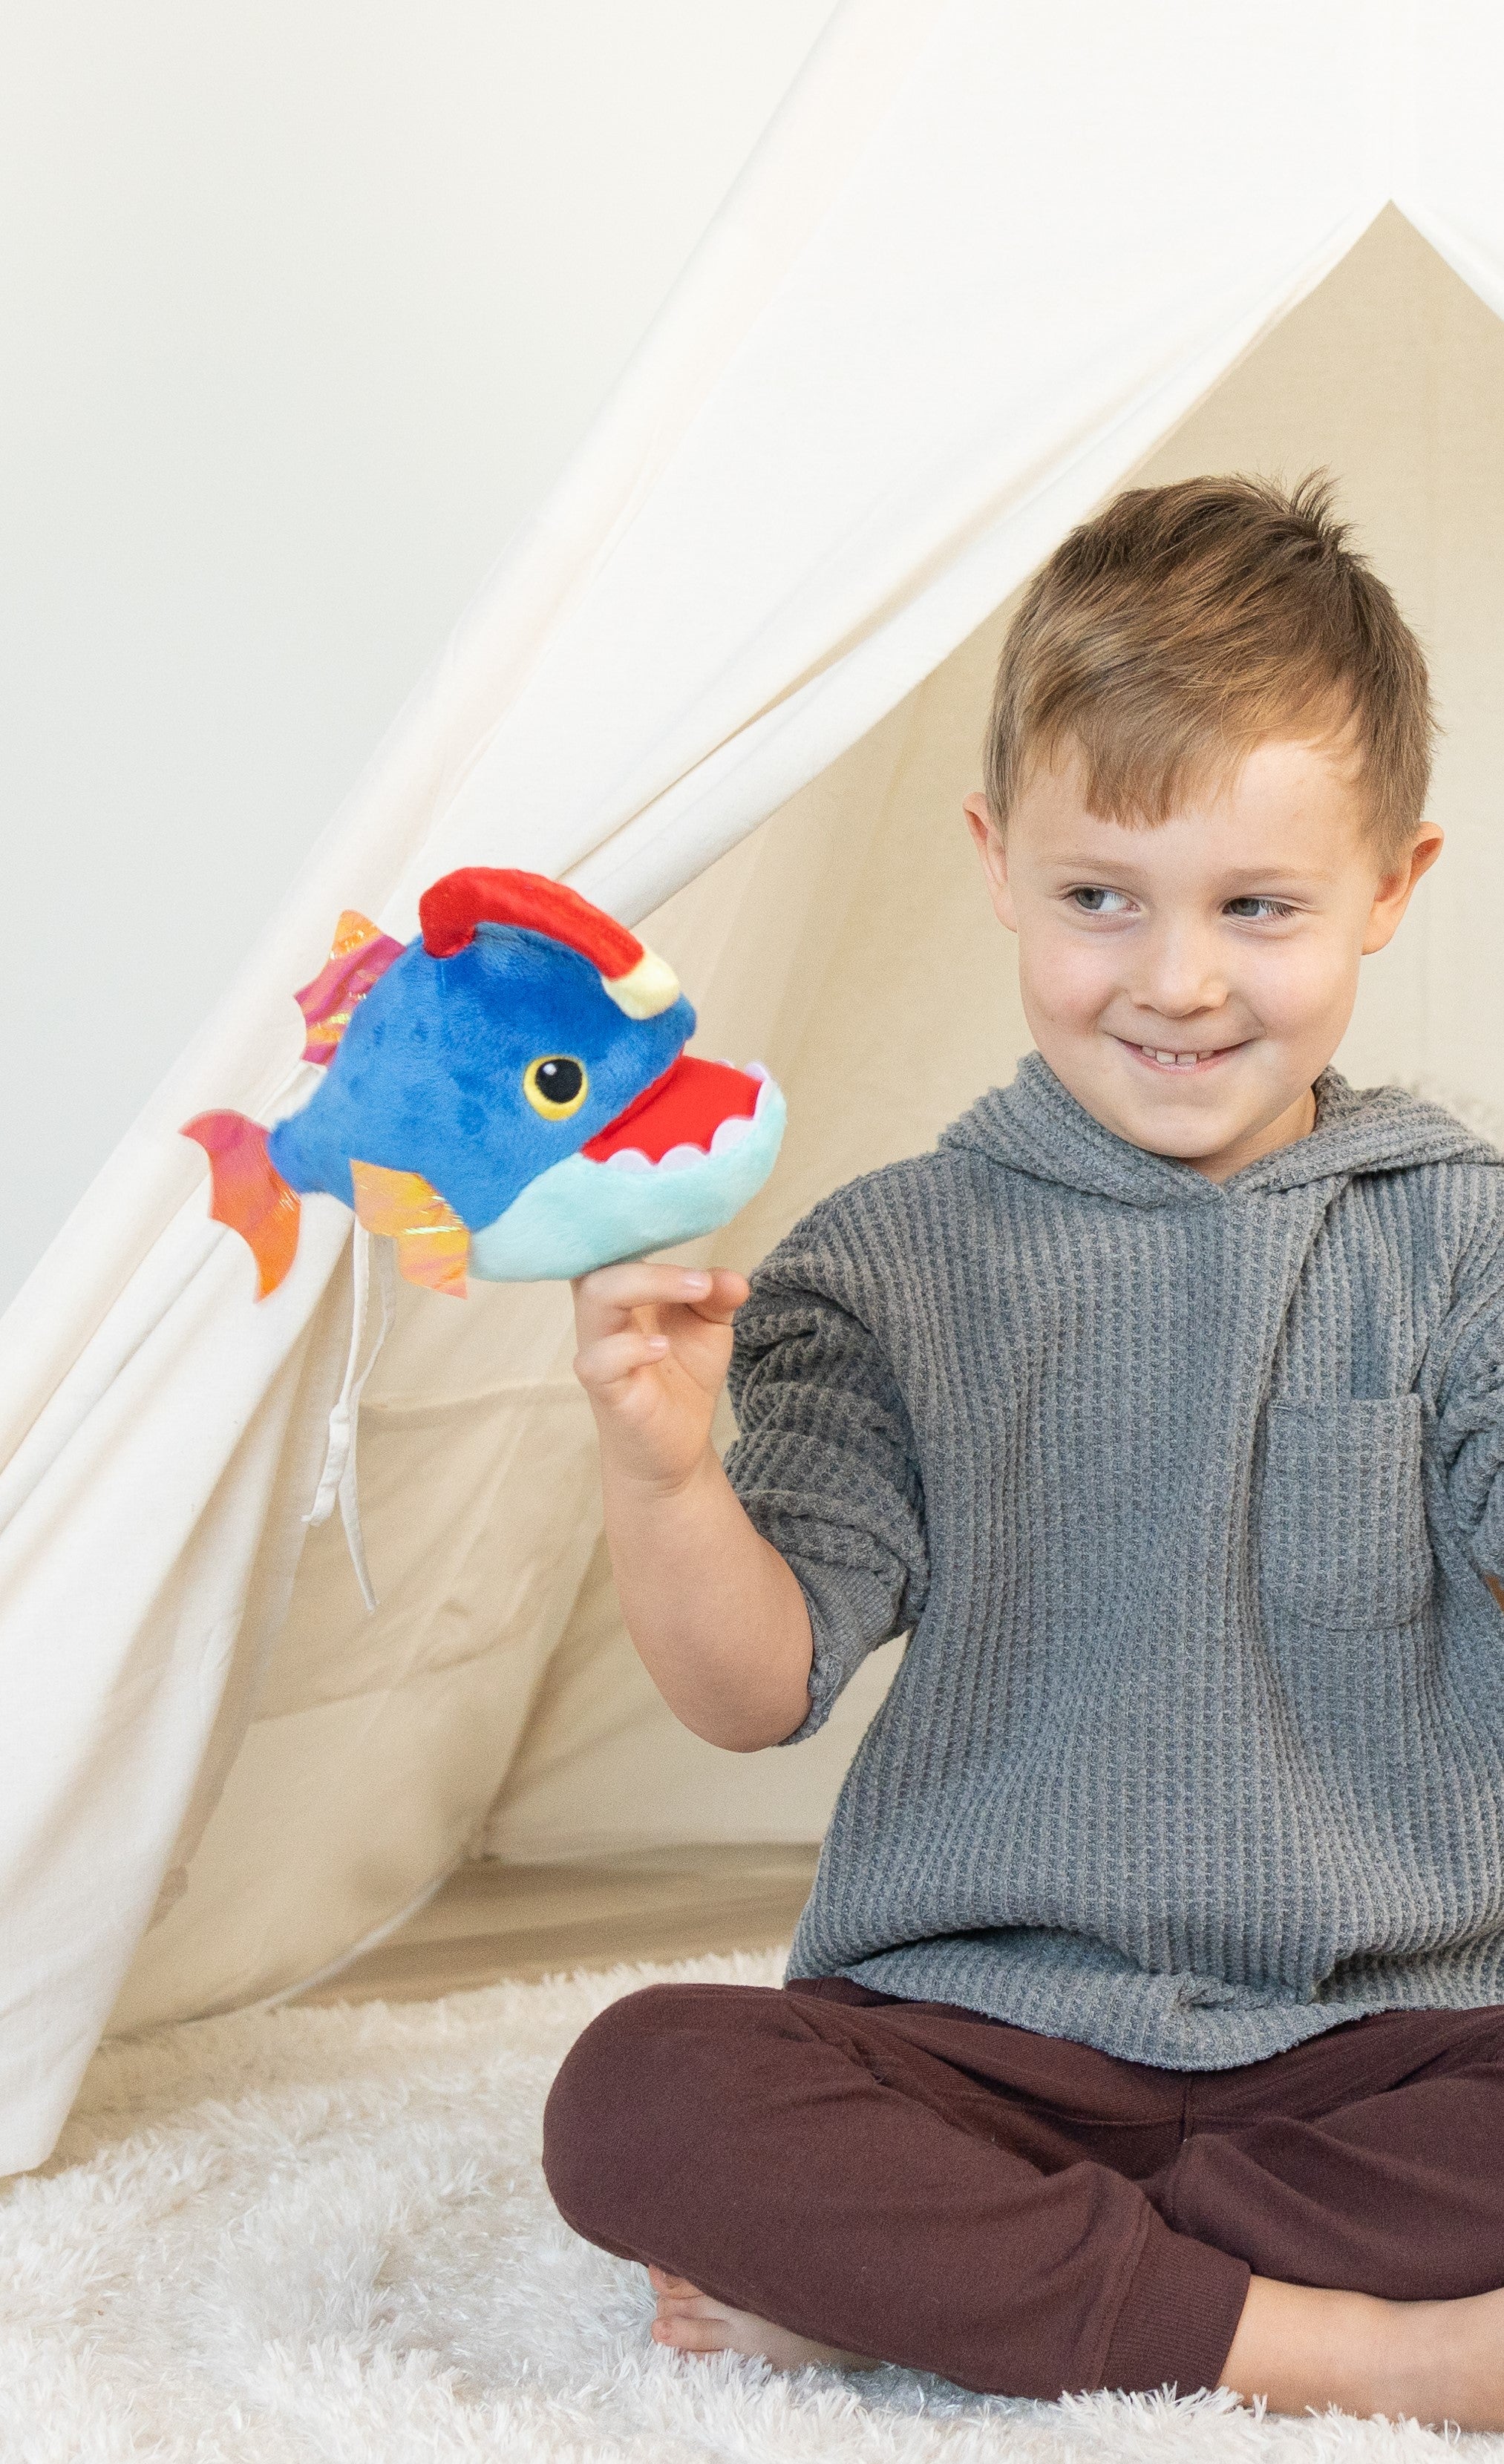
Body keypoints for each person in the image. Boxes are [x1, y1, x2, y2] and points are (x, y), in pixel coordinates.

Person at [541, 474, 1504, 2428]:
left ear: (1388, 889)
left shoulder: (1463, 1239)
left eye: (1255, 907)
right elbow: (754, 1690)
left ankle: (976, 2280)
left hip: (1386, 2038)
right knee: (639, 2094)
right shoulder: (884, 1262)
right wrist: (662, 1472)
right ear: (995, 862)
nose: (1172, 980)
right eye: (1100, 901)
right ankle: (1341, 2348)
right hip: (976, 2038)